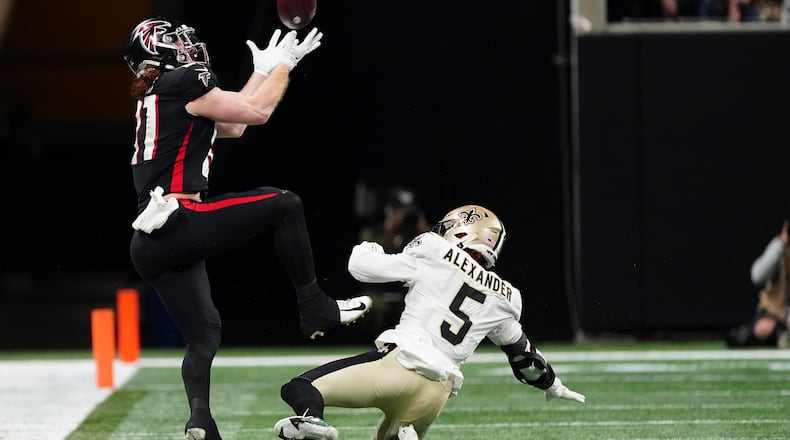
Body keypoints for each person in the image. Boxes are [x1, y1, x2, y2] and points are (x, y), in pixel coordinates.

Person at [122, 17, 372, 440]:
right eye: (178, 40)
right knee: (284, 203)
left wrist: (261, 70)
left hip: (149, 244)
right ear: (161, 52)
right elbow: (257, 112)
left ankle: (200, 421)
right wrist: (284, 66)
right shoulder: (185, 79)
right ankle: (314, 305)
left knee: (204, 335)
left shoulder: (163, 95)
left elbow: (234, 123)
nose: (189, 43)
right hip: (181, 221)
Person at [272, 205, 586, 440]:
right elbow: (524, 357)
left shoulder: (437, 249)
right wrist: (553, 385)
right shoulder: (506, 295)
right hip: (437, 393)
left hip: (399, 364)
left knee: (300, 388)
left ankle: (311, 419)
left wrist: (368, 245)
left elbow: (362, 268)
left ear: (461, 231)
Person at [727, 221, 790, 348]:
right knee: (763, 328)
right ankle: (780, 337)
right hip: (775, 312)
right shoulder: (778, 249)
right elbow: (757, 277)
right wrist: (779, 244)